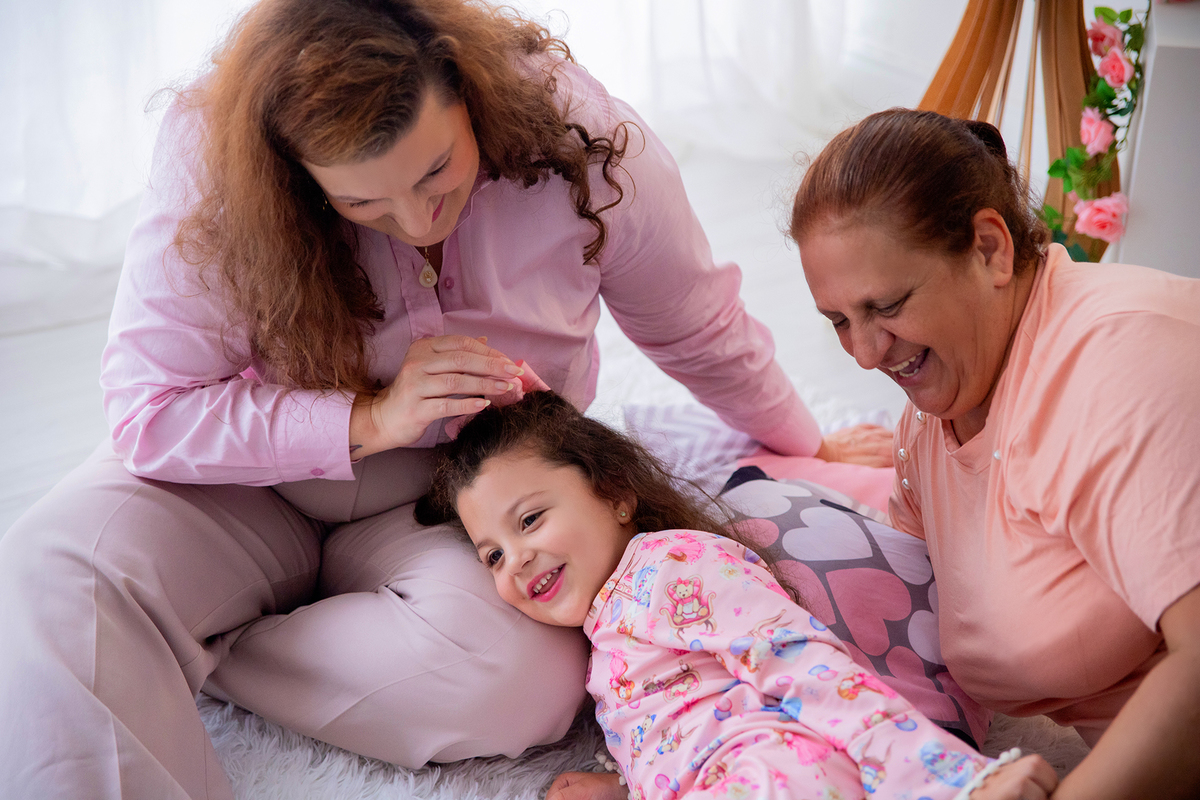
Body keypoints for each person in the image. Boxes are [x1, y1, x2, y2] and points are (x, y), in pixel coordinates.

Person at [0, 1, 894, 797]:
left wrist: (803, 437)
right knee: (49, 568)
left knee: (523, 680)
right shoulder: (215, 157)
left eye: (436, 174)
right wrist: (368, 419)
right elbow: (149, 411)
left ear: (467, 91)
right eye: (361, 203)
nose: (417, 218)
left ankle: (198, 648)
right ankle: (152, 637)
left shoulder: (573, 128)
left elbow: (696, 322)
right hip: (238, 480)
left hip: (458, 505)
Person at [788, 108, 1200, 800]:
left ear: (990, 248)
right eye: (838, 322)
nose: (863, 355)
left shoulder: (1118, 365)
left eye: (885, 305)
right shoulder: (935, 420)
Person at [417, 390, 1058, 800]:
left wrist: (952, 778)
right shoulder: (604, 632)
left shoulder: (671, 565)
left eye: (529, 520)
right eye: (493, 555)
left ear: (614, 492)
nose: (517, 558)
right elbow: (683, 727)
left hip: (774, 770)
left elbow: (802, 662)